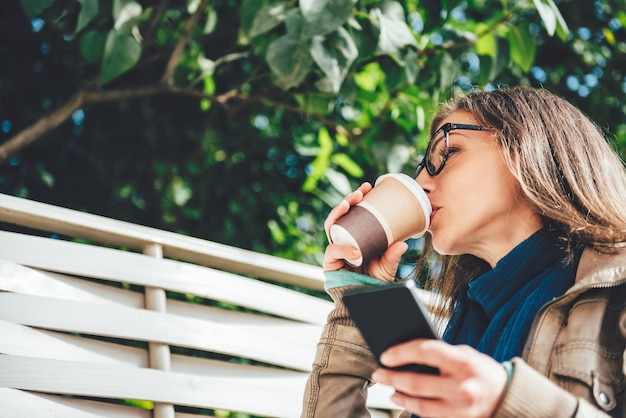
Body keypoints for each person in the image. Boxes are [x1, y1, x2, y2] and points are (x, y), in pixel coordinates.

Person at [301, 86, 626, 418]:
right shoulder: (464, 327)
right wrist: (358, 303)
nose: (423, 183)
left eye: (449, 151)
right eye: (421, 167)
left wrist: (508, 400)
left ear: (527, 148)